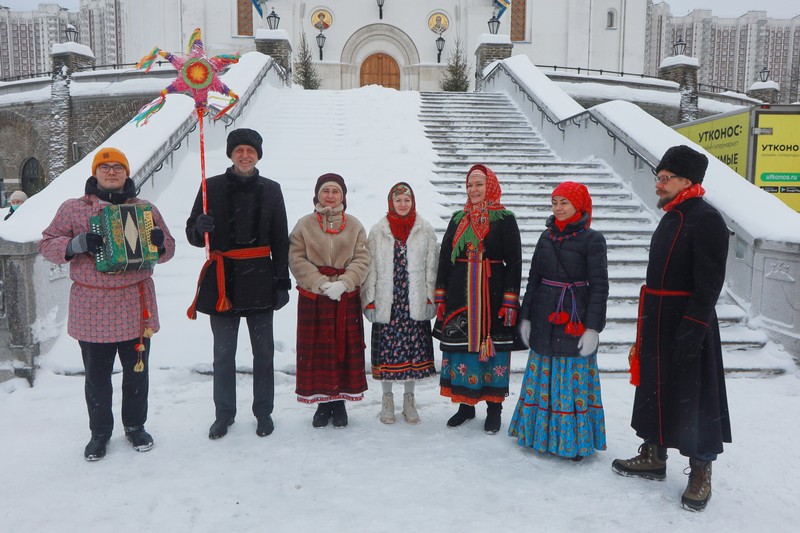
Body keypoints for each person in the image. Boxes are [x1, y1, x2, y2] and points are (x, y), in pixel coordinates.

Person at [611, 145, 732, 512]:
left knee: (695, 397)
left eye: (665, 178)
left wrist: (693, 327)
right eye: (658, 177)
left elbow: (709, 283)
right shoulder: (672, 215)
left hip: (687, 322)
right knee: (655, 388)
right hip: (658, 319)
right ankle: (653, 454)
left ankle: (700, 470)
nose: (658, 184)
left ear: (687, 181)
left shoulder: (707, 218)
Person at [39, 147, 175, 461]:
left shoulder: (145, 209)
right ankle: (100, 432)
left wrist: (159, 245)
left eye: (118, 167)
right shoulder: (73, 209)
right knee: (97, 377)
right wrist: (75, 244)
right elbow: (46, 244)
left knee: (137, 372)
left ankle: (135, 426)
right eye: (105, 167)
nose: (111, 172)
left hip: (134, 302)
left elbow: (168, 247)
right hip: (92, 306)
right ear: (95, 173)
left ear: (126, 173)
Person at [186, 128, 290, 440]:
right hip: (223, 283)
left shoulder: (272, 190)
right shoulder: (210, 187)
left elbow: (280, 240)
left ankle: (263, 411)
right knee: (223, 354)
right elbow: (193, 235)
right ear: (231, 154)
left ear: (258, 155)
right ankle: (224, 414)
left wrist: (282, 282)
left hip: (260, 280)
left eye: (251, 151)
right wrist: (199, 227)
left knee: (264, 353)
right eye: (239, 150)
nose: (245, 155)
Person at [508, 181, 609, 461]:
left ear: (579, 206)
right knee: (543, 373)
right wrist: (526, 316)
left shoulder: (593, 240)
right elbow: (534, 279)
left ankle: (571, 442)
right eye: (554, 202)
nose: (558, 208)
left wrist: (593, 328)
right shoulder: (546, 237)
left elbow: (600, 286)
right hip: (544, 312)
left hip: (574, 314)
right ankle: (537, 436)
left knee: (569, 377)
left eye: (564, 202)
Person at [433, 164, 522, 434]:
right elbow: (445, 258)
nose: (473, 190)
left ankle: (494, 408)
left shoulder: (505, 218)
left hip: (492, 295)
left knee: (493, 350)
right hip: (460, 294)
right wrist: (441, 294)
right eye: (470, 185)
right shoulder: (458, 218)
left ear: (490, 186)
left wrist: (509, 299)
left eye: (479, 184)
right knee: (461, 348)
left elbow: (514, 261)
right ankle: (465, 405)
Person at [289, 173, 370, 428]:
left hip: (345, 296)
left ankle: (340, 403)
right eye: (326, 191)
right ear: (317, 194)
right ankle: (323, 404)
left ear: (343, 196)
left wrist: (345, 282)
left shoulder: (354, 225)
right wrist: (320, 283)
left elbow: (362, 258)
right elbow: (296, 258)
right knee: (318, 352)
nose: (331, 196)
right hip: (314, 297)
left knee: (343, 352)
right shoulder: (304, 225)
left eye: (336, 191)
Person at [362, 182, 438, 424]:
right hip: (389, 303)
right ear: (391, 202)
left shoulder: (424, 229)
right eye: (398, 200)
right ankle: (387, 400)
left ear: (413, 202)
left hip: (414, 302)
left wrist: (431, 297)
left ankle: (409, 400)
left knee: (412, 356)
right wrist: (369, 300)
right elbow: (370, 268)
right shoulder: (378, 231)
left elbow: (432, 267)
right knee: (387, 356)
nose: (403, 204)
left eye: (407, 200)